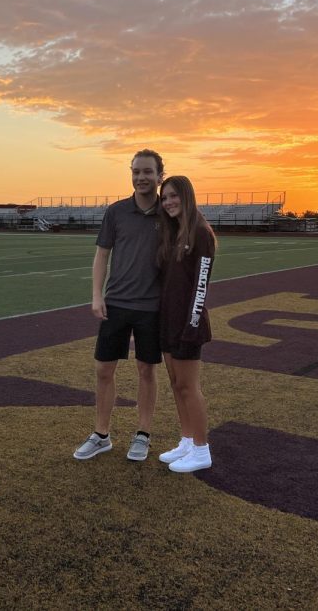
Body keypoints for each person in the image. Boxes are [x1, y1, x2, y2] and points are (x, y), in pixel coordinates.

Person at [73, 149, 164, 462]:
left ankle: (142, 434)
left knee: (146, 370)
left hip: (152, 306)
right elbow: (102, 255)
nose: (141, 177)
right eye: (136, 171)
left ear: (159, 176)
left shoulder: (170, 213)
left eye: (148, 172)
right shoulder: (116, 211)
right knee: (103, 369)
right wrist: (97, 295)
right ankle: (101, 434)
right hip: (117, 303)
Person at [156, 175, 216, 472]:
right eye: (164, 197)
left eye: (173, 196)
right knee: (176, 384)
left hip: (188, 325)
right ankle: (187, 440)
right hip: (167, 322)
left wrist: (190, 326)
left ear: (186, 196)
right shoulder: (174, 233)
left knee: (190, 387)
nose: (168, 202)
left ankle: (202, 450)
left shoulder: (201, 233)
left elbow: (200, 285)